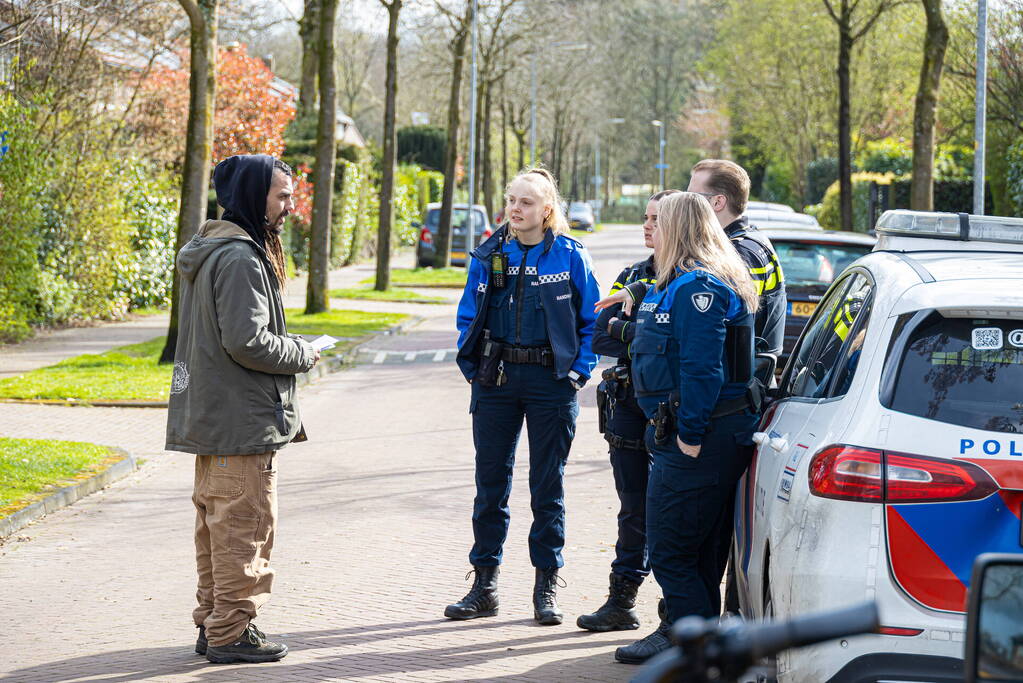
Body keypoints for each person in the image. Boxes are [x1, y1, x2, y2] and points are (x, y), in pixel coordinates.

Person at [594, 192, 761, 664]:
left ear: (680, 230)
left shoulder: (698, 288)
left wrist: (688, 434)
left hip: (698, 439)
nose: (650, 230)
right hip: (690, 434)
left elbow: (701, 369)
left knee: (669, 548)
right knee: (698, 549)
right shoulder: (675, 284)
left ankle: (688, 646)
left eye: (658, 222)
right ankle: (700, 644)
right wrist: (637, 294)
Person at [166, 154, 319, 664]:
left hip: (214, 416)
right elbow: (247, 341)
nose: (290, 207)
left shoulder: (213, 249)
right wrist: (303, 352)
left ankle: (215, 625)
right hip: (240, 419)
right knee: (244, 530)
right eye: (282, 196)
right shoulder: (239, 258)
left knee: (217, 530)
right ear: (255, 197)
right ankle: (231, 633)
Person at [446, 168, 601, 626]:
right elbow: (468, 315)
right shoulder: (489, 253)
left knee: (546, 488)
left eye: (526, 202)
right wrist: (472, 367)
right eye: (512, 200)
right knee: (490, 486)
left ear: (547, 210)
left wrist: (578, 373)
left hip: (550, 383)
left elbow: (590, 320)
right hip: (496, 381)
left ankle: (546, 584)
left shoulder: (571, 255)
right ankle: (484, 585)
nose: (515, 209)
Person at [576, 189, 680, 633]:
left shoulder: (693, 279)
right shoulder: (633, 274)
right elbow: (600, 336)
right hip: (626, 407)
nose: (647, 225)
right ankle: (622, 599)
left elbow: (678, 343)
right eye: (645, 217)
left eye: (656, 218)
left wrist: (634, 328)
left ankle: (673, 612)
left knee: (671, 508)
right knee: (632, 506)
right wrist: (646, 331)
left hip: (671, 409)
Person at [687, 159, 787, 617]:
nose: (686, 202)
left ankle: (707, 627)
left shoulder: (737, 254)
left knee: (708, 527)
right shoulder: (751, 245)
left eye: (694, 194)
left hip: (729, 405)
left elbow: (714, 334)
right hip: (739, 399)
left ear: (718, 202)